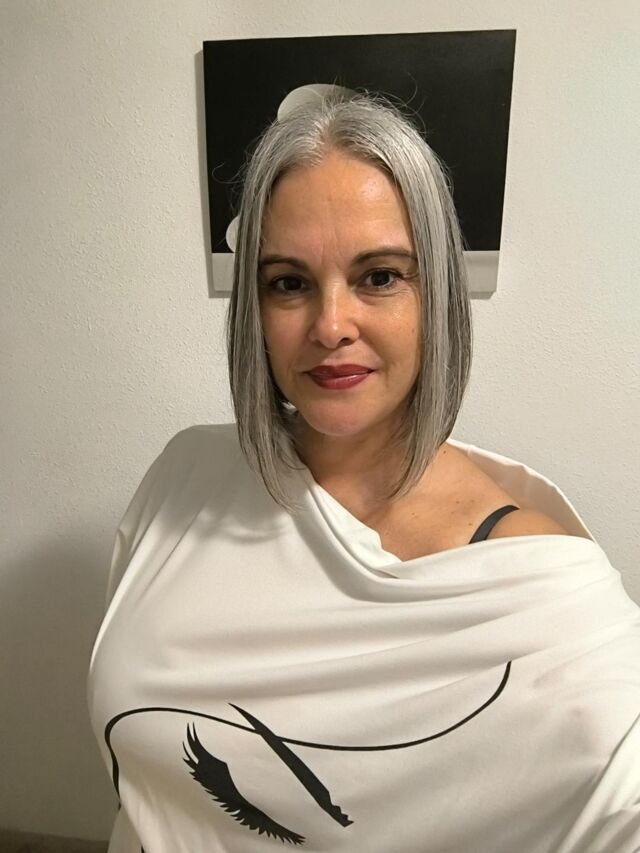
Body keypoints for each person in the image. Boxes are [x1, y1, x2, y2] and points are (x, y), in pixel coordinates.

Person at [87, 92, 640, 852]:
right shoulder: (184, 479)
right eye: (289, 282)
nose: (330, 325)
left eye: (379, 276)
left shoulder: (533, 578)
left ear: (436, 294)